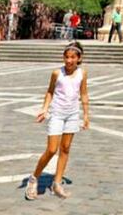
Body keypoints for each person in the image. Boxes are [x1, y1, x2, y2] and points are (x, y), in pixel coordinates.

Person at [25, 42, 90, 200]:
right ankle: (33, 178)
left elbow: (83, 93)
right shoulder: (57, 73)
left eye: (72, 57)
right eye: (66, 57)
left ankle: (57, 183)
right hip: (57, 114)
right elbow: (50, 92)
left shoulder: (82, 73)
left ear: (79, 58)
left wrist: (86, 115)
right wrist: (44, 109)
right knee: (52, 149)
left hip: (72, 114)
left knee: (65, 148)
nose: (69, 61)